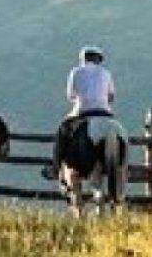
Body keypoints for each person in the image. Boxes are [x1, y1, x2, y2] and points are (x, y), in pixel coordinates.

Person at [42, 46, 114, 181]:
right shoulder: (106, 73)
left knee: (62, 131)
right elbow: (111, 97)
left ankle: (55, 167)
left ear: (84, 59)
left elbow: (70, 96)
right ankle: (125, 167)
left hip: (83, 111)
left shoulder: (76, 72)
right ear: (99, 60)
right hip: (105, 112)